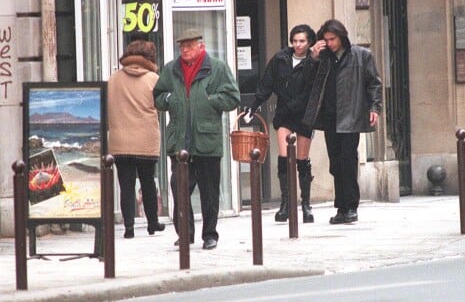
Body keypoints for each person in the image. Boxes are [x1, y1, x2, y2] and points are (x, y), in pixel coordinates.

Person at [153, 28, 240, 250]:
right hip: (180, 140)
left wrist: (211, 100)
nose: (185, 50)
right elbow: (158, 97)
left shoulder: (217, 68)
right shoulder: (171, 69)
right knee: (178, 187)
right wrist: (170, 99)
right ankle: (185, 234)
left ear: (201, 46)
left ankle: (210, 235)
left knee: (209, 193)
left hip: (207, 140)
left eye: (189, 45)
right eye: (181, 46)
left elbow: (233, 97)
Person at [304, 19, 383, 224]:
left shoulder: (361, 55)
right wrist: (312, 57)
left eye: (333, 39)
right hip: (330, 117)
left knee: (348, 162)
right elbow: (306, 79)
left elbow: (374, 83)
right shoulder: (323, 58)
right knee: (335, 163)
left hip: (351, 115)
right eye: (326, 39)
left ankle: (351, 206)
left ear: (341, 37)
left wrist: (374, 107)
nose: (329, 43)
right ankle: (341, 207)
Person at [245, 24, 318, 223]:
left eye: (302, 41)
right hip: (284, 113)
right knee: (285, 157)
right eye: (294, 41)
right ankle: (286, 203)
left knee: (302, 159)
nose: (298, 45)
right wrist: (253, 106)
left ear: (309, 42)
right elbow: (266, 84)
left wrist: (315, 58)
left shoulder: (313, 61)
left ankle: (305, 204)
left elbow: (312, 91)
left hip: (304, 115)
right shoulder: (280, 59)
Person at [107, 39, 165, 239]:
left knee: (126, 185)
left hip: (120, 141)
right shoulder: (153, 79)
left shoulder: (114, 78)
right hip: (146, 139)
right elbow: (159, 105)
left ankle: (129, 227)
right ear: (149, 58)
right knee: (148, 182)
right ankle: (152, 223)